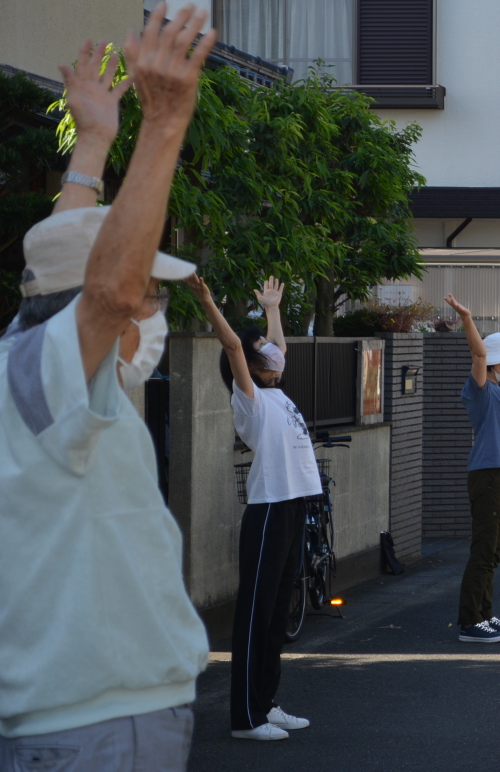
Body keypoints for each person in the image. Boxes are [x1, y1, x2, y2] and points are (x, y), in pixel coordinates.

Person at [0, 5, 215, 769]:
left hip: (62, 717)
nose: (150, 308)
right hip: (99, 724)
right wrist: (163, 124)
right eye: (149, 295)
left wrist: (92, 146)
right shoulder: (57, 371)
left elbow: (63, 266)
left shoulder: (23, 366)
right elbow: (101, 291)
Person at [187, 275, 316, 741]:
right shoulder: (250, 399)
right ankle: (246, 718)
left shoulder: (277, 392)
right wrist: (207, 300)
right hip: (266, 513)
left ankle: (267, 703)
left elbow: (280, 349)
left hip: (294, 506)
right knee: (255, 615)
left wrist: (273, 310)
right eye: (263, 347)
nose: (272, 350)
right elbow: (235, 348)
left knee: (278, 614)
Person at [444, 294, 500, 643]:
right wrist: (467, 318)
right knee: (483, 548)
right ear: (496, 363)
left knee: (495, 549)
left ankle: (485, 614)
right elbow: (480, 354)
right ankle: (469, 621)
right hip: (488, 472)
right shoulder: (479, 389)